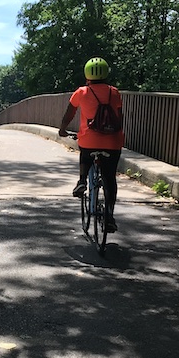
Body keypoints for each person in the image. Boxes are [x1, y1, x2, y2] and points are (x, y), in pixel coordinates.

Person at [58, 57, 124, 232]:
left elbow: (69, 114)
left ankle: (81, 181)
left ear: (87, 74)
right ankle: (109, 216)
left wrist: (62, 129)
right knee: (110, 178)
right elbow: (119, 117)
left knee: (86, 152)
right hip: (113, 142)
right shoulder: (115, 92)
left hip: (90, 141)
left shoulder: (81, 92)